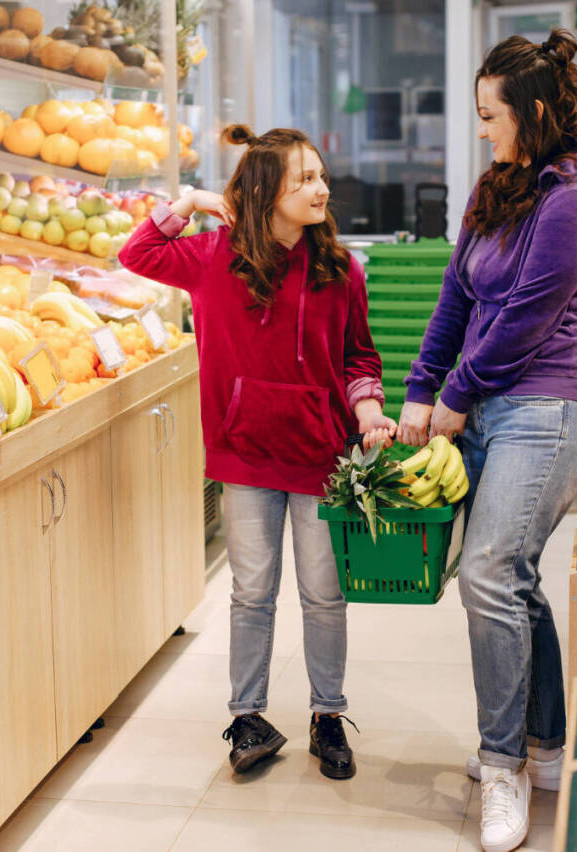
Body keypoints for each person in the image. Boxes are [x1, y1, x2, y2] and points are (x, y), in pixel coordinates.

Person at [396, 30, 577, 852]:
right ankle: (545, 747)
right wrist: (422, 388)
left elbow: (528, 319)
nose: (484, 129)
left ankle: (504, 771)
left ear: (532, 111)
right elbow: (455, 299)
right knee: (515, 579)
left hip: (549, 407)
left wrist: (455, 395)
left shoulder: (576, 198)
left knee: (489, 571)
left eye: (492, 115)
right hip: (490, 405)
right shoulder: (498, 187)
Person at [118, 125, 395, 781]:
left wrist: (370, 410)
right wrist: (189, 202)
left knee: (324, 595)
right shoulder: (210, 256)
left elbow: (359, 358)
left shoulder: (341, 269)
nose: (321, 188)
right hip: (244, 455)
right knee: (252, 592)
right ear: (267, 190)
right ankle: (247, 716)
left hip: (322, 456)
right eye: (304, 179)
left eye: (321, 177)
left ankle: (328, 716)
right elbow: (137, 252)